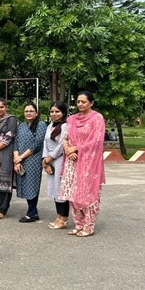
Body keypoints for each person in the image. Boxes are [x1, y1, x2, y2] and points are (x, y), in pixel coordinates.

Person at [59, 91, 106, 237]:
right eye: (78, 101)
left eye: (83, 102)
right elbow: (65, 138)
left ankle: (89, 225)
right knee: (72, 193)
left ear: (91, 103)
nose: (80, 104)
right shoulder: (72, 119)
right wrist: (68, 150)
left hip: (88, 163)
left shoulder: (97, 118)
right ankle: (79, 224)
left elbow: (97, 140)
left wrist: (77, 148)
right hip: (71, 162)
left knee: (88, 193)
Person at [13, 103, 47, 222]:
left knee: (32, 185)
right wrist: (17, 160)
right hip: (21, 160)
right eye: (26, 111)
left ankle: (32, 212)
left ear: (36, 113)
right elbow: (16, 143)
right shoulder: (21, 126)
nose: (28, 113)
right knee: (25, 185)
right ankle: (32, 211)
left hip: (33, 160)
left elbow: (36, 144)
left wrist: (21, 157)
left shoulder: (41, 125)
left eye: (31, 111)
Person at [43, 101, 70, 229]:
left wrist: (50, 157)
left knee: (61, 189)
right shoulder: (50, 126)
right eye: (52, 111)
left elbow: (62, 145)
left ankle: (64, 218)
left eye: (57, 111)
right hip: (50, 161)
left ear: (63, 112)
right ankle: (58, 216)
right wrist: (45, 162)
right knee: (54, 189)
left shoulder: (66, 126)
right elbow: (45, 143)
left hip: (60, 160)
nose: (54, 114)